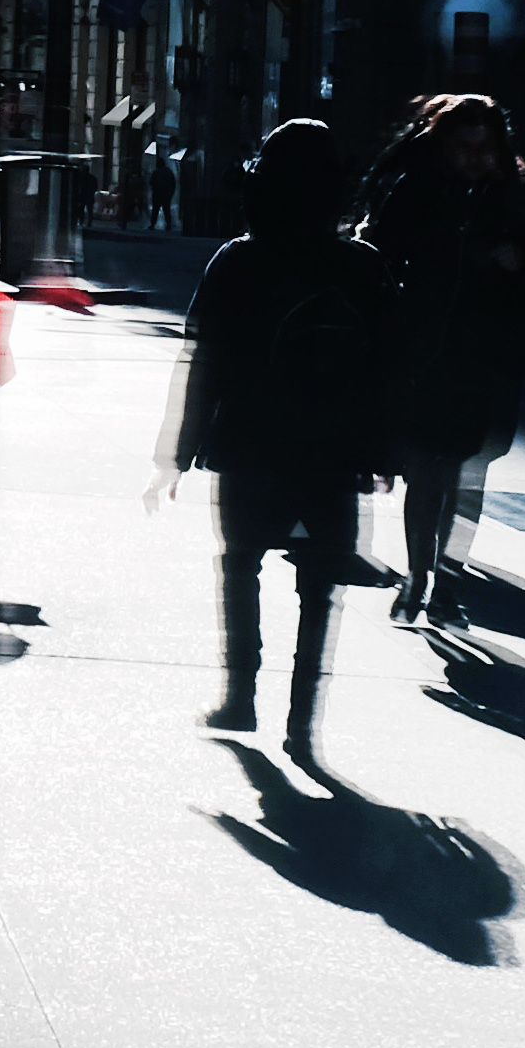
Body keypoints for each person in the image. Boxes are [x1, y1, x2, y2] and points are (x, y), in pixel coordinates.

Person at [156, 119, 387, 757]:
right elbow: (387, 368)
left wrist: (180, 449)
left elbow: (202, 359)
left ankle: (240, 696)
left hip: (249, 439)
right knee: (321, 583)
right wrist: (380, 451)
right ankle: (302, 720)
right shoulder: (360, 266)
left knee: (240, 563)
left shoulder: (239, 260)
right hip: (333, 449)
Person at [356, 92, 525, 622]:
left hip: (488, 357)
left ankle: (443, 581)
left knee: (468, 474)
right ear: (443, 145)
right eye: (463, 146)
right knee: (428, 471)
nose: (473, 157)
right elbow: (379, 253)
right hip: (428, 353)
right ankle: (419, 577)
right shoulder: (418, 189)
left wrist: (521, 259)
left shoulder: (513, 195)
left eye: (483, 146)